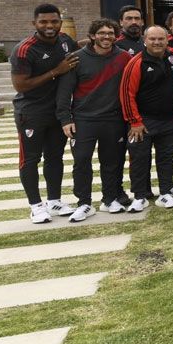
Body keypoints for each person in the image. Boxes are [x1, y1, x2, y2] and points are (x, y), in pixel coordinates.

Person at [56, 18, 131, 221]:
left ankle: (109, 199)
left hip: (113, 120)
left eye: (110, 33)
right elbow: (64, 92)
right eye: (102, 33)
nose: (106, 37)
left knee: (112, 162)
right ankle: (84, 203)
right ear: (92, 35)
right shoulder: (76, 58)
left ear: (116, 36)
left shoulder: (124, 57)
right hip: (83, 120)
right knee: (81, 162)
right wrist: (65, 119)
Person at [10, 3, 79, 223]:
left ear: (60, 22)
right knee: (30, 159)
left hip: (57, 111)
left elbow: (80, 53)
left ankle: (54, 201)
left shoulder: (65, 41)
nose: (49, 26)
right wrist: (56, 71)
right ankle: (35, 206)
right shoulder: (24, 49)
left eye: (54, 21)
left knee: (54, 157)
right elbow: (21, 85)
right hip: (31, 112)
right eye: (43, 22)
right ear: (34, 23)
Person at [120, 25, 173, 210]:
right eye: (152, 39)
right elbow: (127, 94)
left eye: (161, 39)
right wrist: (134, 121)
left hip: (169, 120)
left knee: (166, 158)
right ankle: (139, 196)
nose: (157, 42)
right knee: (139, 159)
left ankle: (165, 193)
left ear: (167, 39)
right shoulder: (136, 62)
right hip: (143, 121)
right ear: (144, 40)